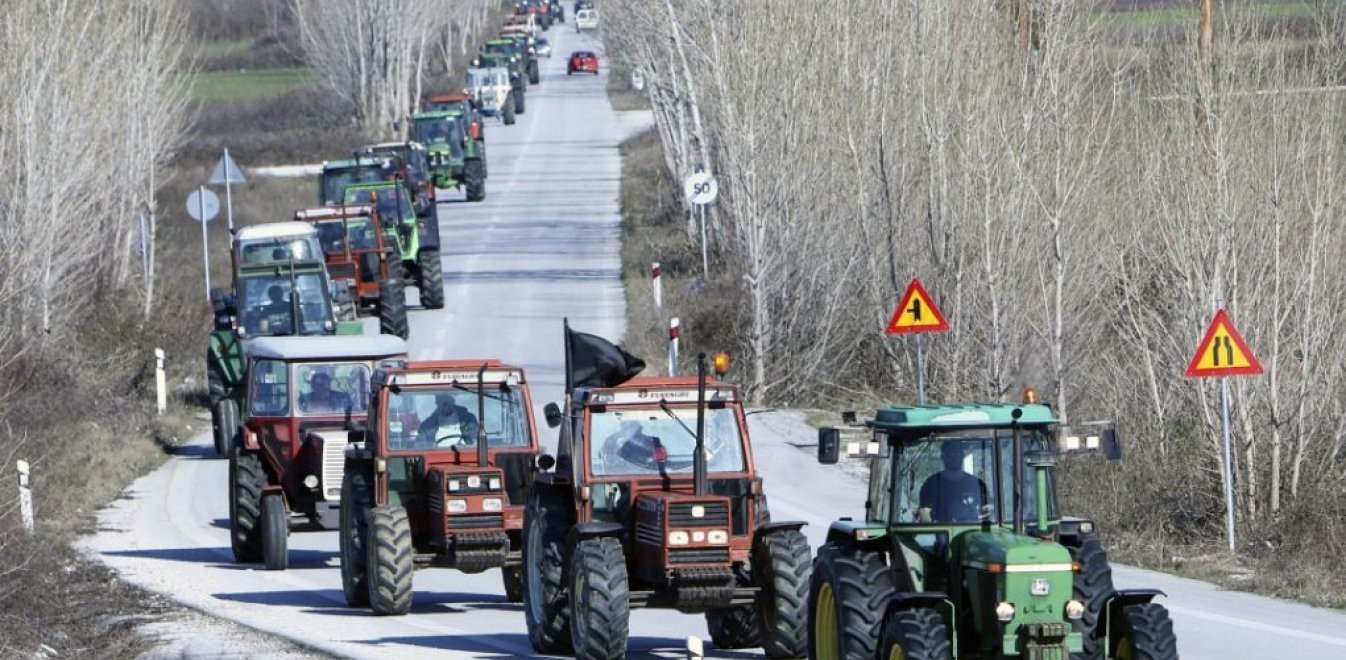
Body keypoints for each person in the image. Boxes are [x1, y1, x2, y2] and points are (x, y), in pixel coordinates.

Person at [918, 441, 989, 522]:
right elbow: (924, 514)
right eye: (950, 454)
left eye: (957, 453)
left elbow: (987, 511)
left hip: (971, 531)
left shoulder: (977, 484)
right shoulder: (931, 484)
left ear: (962, 456)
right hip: (941, 531)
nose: (953, 457)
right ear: (942, 457)